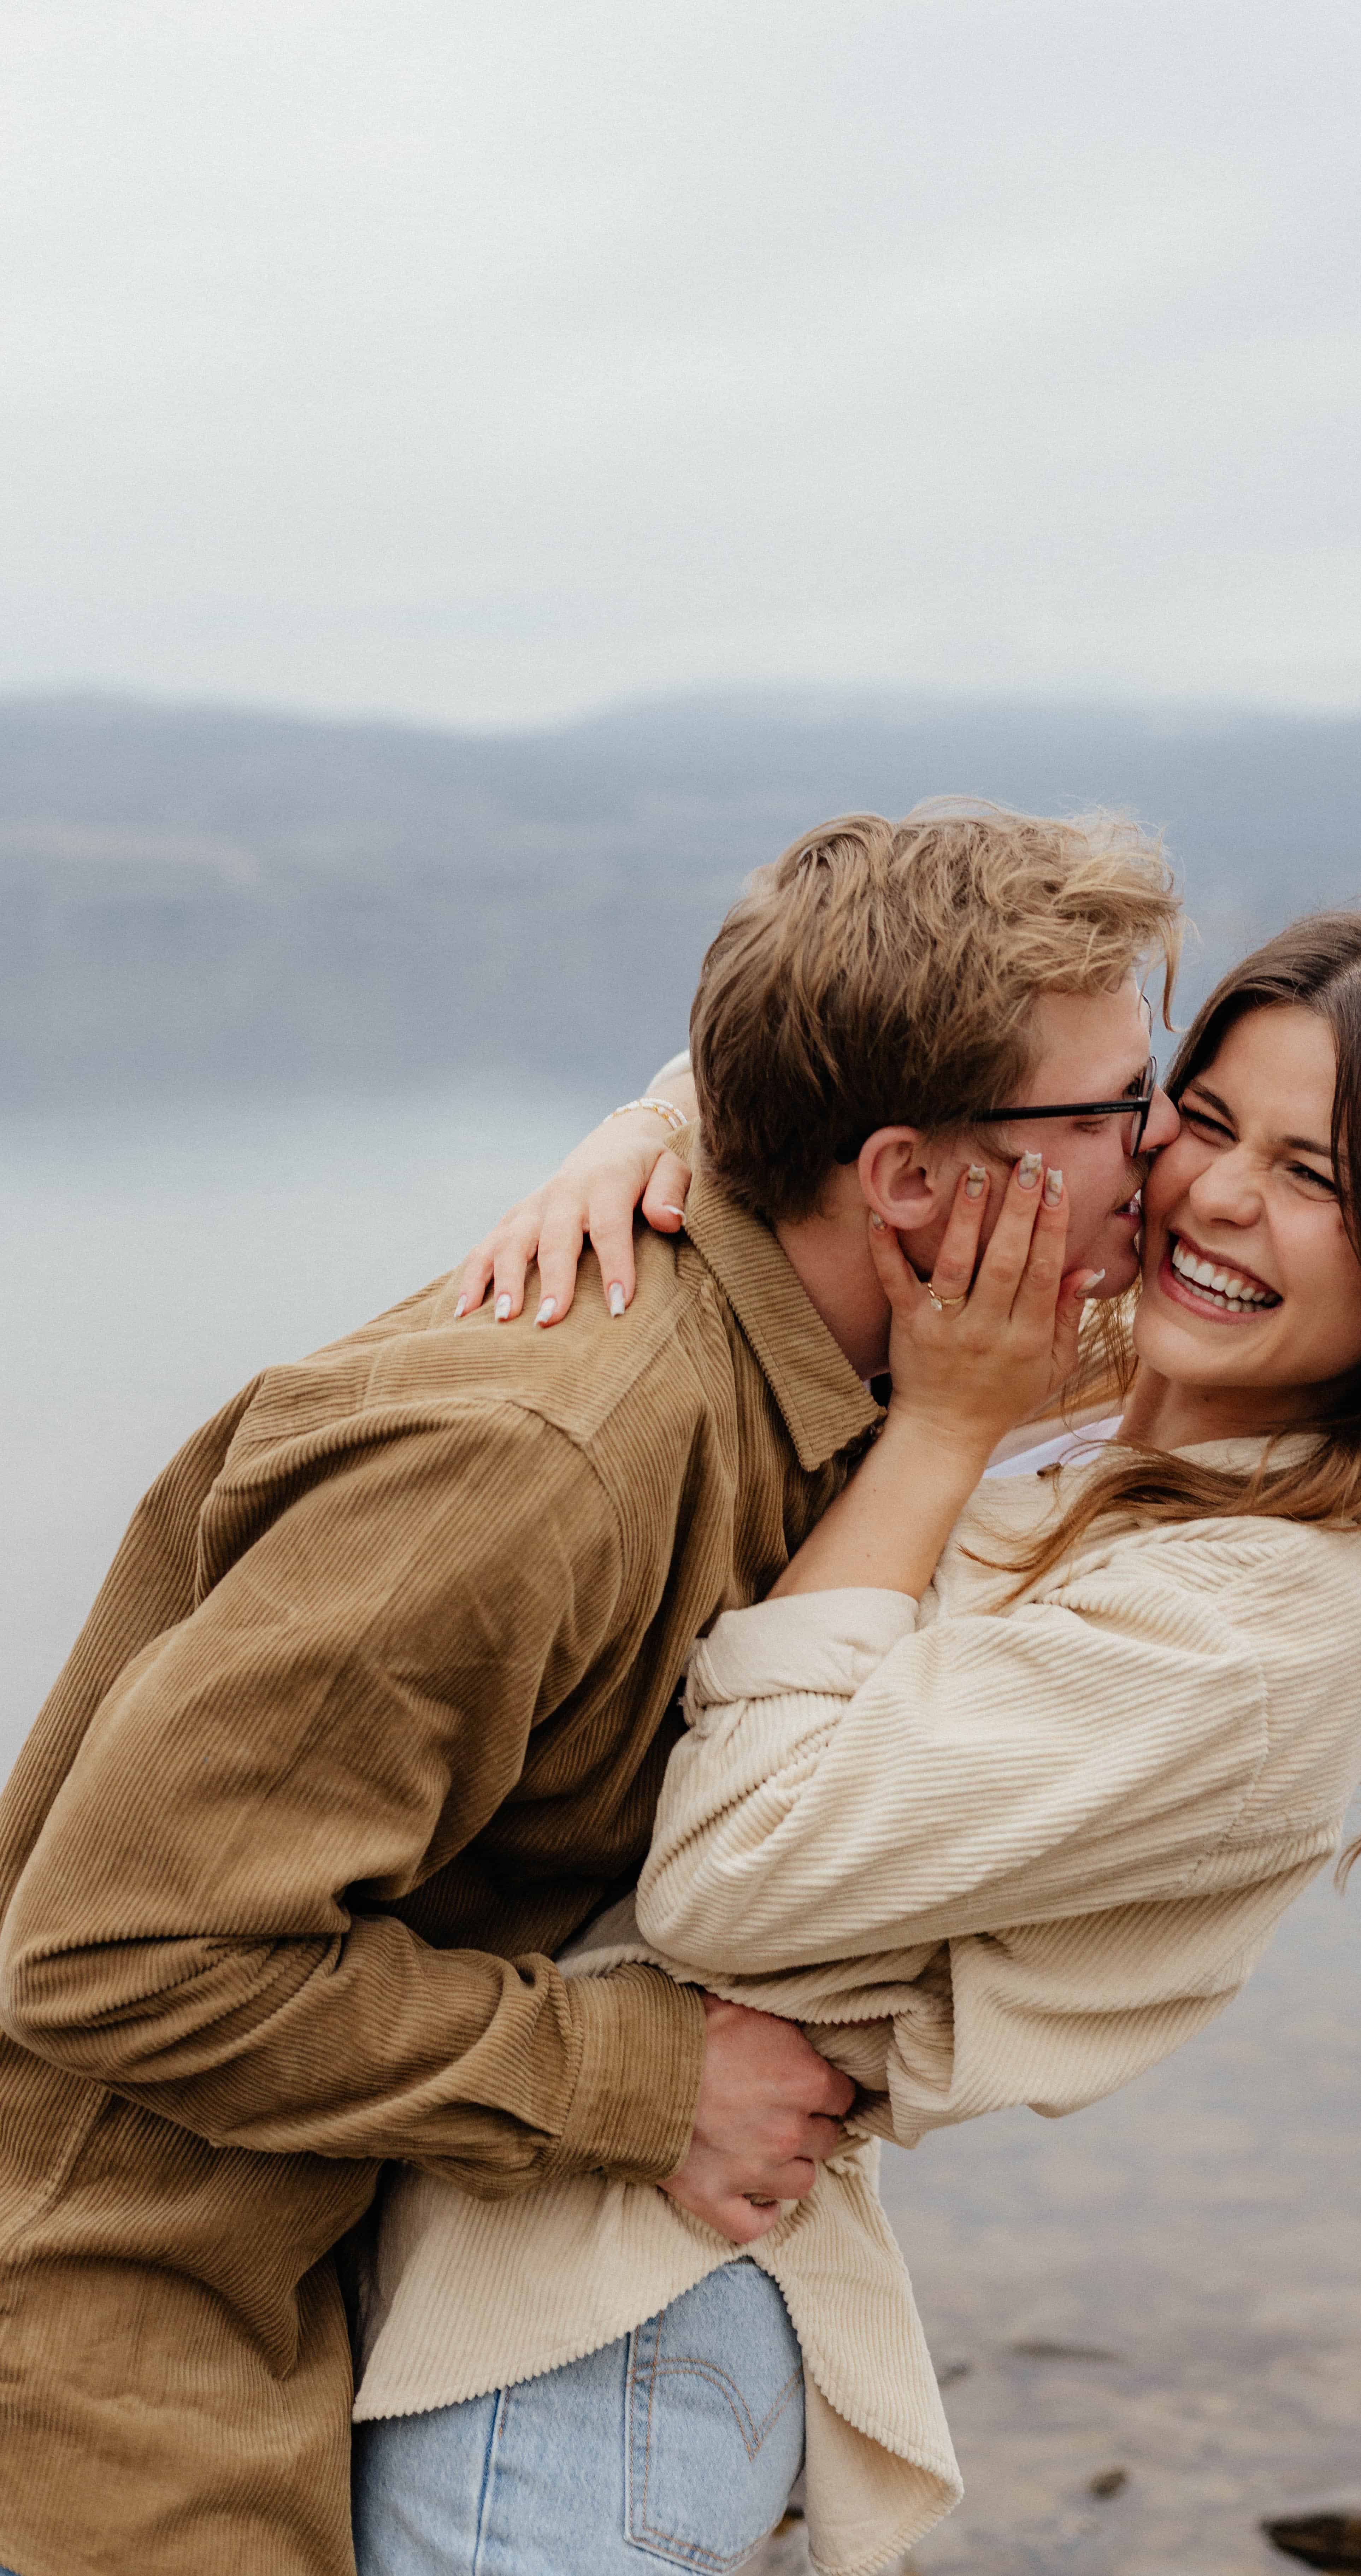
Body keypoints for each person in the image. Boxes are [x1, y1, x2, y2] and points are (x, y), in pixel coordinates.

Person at [0, 804, 1181, 2576]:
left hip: (358, 2245)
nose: (1158, 1156)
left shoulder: (854, 1345)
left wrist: (659, 1113)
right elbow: (115, 1951)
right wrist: (646, 2075)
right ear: (912, 1184)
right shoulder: (536, 1461)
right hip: (127, 2318)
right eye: (1111, 1113)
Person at [350, 906, 1361, 2576]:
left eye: (1321, 1178)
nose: (1215, 1197)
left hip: (596, 2327)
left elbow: (732, 1872)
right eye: (1205, 1122)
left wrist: (933, 1428)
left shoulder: (1256, 1624)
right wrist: (638, 1137)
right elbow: (856, 1113)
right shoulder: (1104, 1373)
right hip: (518, 2225)